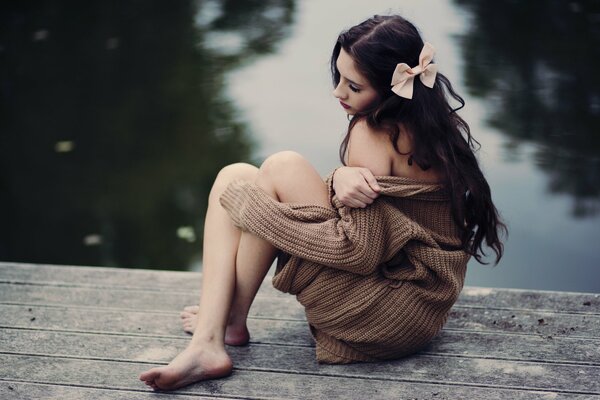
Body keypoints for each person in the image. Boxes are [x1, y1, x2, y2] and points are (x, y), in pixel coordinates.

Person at [139, 14, 506, 391]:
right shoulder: (433, 124)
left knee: (270, 174)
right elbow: (386, 216)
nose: (339, 93)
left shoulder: (373, 130)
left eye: (354, 85)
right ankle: (224, 323)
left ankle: (212, 338)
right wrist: (337, 177)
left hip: (382, 314)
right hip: (419, 312)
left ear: (391, 88)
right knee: (238, 176)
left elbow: (358, 251)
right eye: (338, 77)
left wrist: (261, 214)